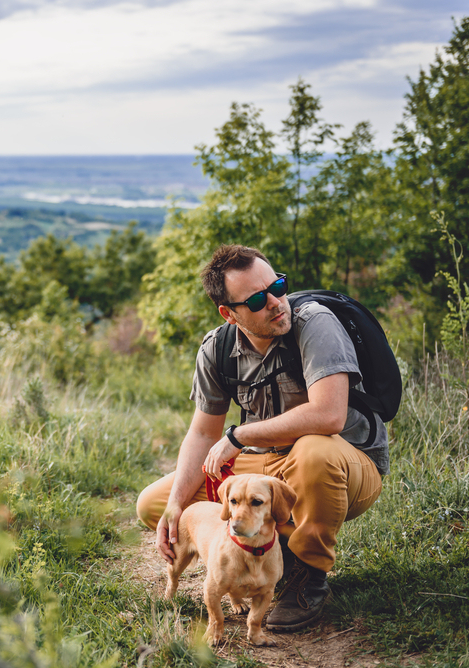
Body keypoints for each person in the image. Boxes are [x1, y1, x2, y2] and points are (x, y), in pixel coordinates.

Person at [136, 244, 387, 632]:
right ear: (229, 313)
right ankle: (268, 546)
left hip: (345, 465)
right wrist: (174, 504)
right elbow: (204, 431)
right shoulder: (217, 349)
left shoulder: (315, 324)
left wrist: (239, 436)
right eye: (256, 299)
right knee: (156, 506)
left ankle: (309, 577)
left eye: (278, 286)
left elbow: (329, 415)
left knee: (313, 451)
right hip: (269, 465)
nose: (275, 302)